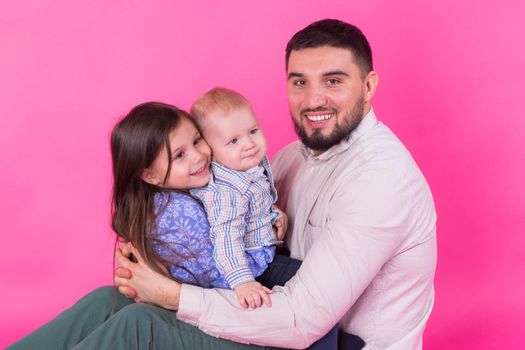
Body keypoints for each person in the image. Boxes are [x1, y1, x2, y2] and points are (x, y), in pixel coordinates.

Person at [114, 18, 437, 349]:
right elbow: (226, 218)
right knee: (107, 304)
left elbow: (302, 320)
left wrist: (173, 295)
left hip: (322, 338)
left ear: (368, 87)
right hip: (276, 324)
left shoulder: (382, 180)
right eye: (300, 83)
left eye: (333, 81)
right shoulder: (286, 160)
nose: (313, 100)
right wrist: (147, 253)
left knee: (138, 324)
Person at [189, 87, 281, 309]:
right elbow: (226, 239)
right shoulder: (228, 193)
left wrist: (275, 214)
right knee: (306, 292)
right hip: (250, 263)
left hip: (263, 250)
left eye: (253, 131)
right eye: (233, 141)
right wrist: (243, 281)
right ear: (210, 151)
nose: (249, 144)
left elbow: (257, 204)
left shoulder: (246, 168)